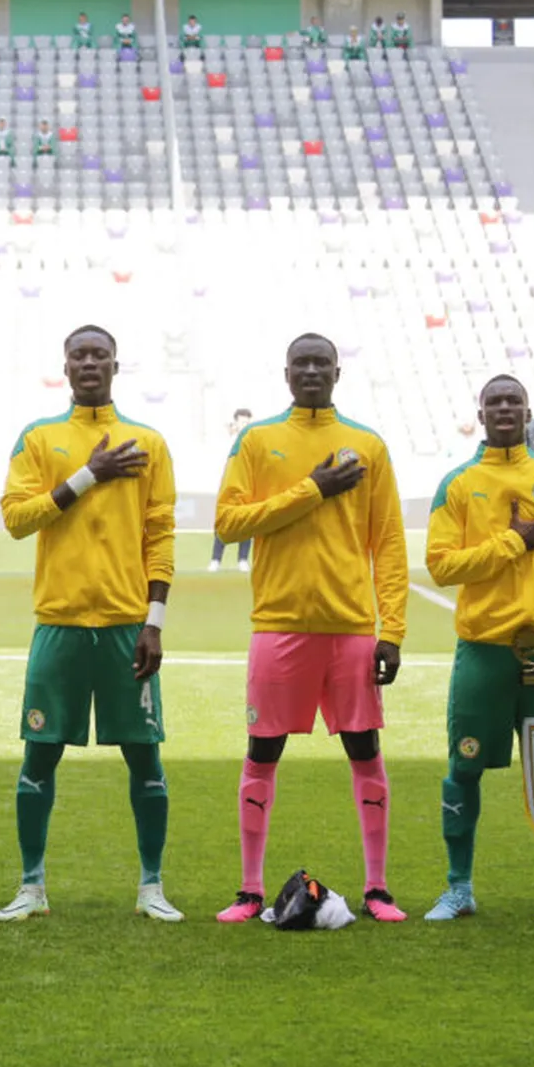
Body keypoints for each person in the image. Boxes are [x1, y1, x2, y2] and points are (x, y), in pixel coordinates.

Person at [211, 336, 409, 924]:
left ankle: (377, 888)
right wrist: (313, 490)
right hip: (279, 625)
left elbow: (390, 543)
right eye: (303, 363)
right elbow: (228, 520)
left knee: (365, 751)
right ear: (287, 373)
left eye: (322, 362)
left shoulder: (367, 445)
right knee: (262, 752)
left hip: (350, 627)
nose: (313, 371)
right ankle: (250, 890)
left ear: (338, 372)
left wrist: (391, 629)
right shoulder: (258, 440)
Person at [0, 327, 182, 923]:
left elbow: (160, 536)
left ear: (115, 365)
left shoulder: (148, 441)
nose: (90, 362)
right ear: (65, 365)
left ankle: (151, 886)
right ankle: (31, 887)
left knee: (144, 758)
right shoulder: (40, 437)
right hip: (60, 623)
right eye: (79, 354)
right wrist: (88, 474)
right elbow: (17, 519)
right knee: (40, 754)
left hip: (128, 625)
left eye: (100, 354)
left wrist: (154, 622)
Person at [424, 375, 534, 922]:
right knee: (464, 767)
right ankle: (459, 888)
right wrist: (514, 541)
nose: (504, 408)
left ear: (528, 413)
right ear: (480, 411)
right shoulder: (458, 484)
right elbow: (442, 565)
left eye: (513, 402)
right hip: (483, 651)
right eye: (494, 401)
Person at [208, 407, 253, 571]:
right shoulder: (226, 439)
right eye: (242, 421)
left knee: (246, 523)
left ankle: (242, 559)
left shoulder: (252, 439)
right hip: (227, 486)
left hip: (246, 487)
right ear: (235, 422)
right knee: (223, 522)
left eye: (248, 421)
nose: (245, 424)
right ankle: (215, 560)